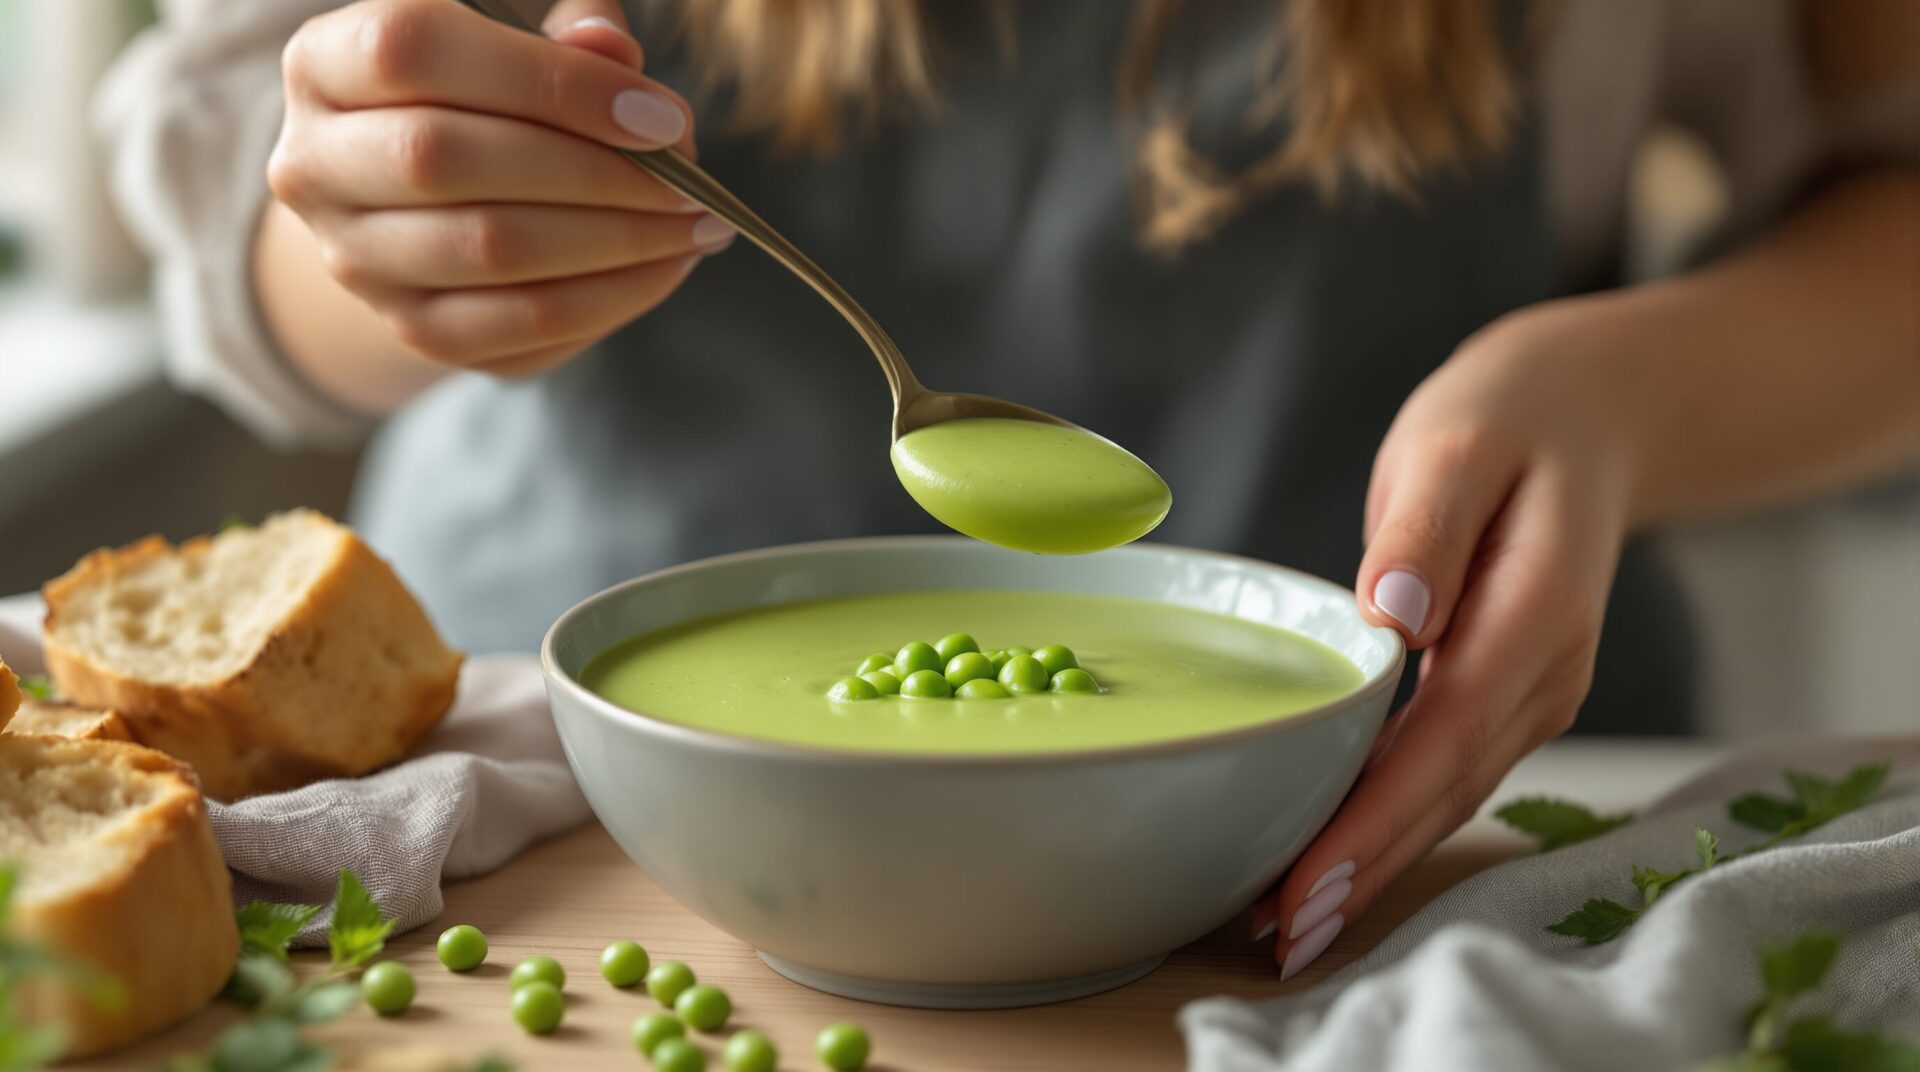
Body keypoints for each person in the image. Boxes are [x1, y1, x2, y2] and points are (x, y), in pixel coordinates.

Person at [100, 0, 1919, 979]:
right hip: (559, 827)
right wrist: (401, 236)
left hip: (1405, 826)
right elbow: (215, 197)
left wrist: (1620, 398)